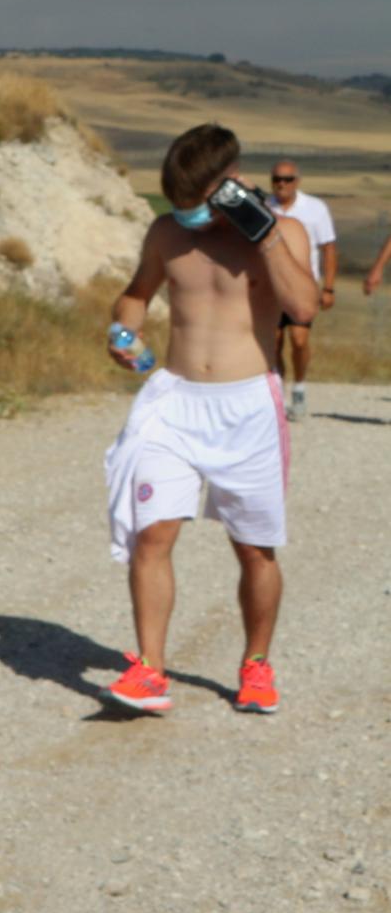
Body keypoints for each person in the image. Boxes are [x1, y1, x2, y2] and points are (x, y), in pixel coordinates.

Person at [102, 124, 320, 716]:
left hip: (247, 404)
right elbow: (136, 293)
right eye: (179, 207)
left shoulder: (285, 232)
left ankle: (255, 664)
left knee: (254, 550)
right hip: (173, 401)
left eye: (197, 205)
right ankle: (150, 669)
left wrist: (268, 235)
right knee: (154, 533)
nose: (187, 218)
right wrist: (123, 330)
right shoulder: (166, 232)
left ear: (230, 186)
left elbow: (302, 308)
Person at [266, 161, 338, 414]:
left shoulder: (315, 209)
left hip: (302, 287)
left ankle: (299, 386)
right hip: (272, 288)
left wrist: (328, 288)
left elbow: (328, 247)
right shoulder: (264, 207)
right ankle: (279, 393)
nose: (281, 184)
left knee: (299, 339)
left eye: (287, 179)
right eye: (277, 179)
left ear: (297, 181)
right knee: (273, 343)